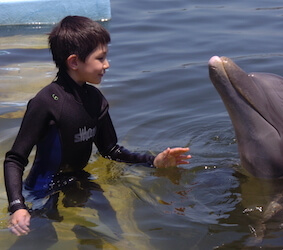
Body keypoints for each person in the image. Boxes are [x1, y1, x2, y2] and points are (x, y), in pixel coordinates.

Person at [4, 15, 191, 237]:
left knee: (112, 229)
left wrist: (153, 161)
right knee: (46, 237)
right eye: (100, 58)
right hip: (41, 189)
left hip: (78, 179)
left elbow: (111, 150)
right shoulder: (46, 102)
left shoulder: (95, 100)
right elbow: (15, 159)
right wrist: (17, 206)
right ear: (74, 62)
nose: (107, 64)